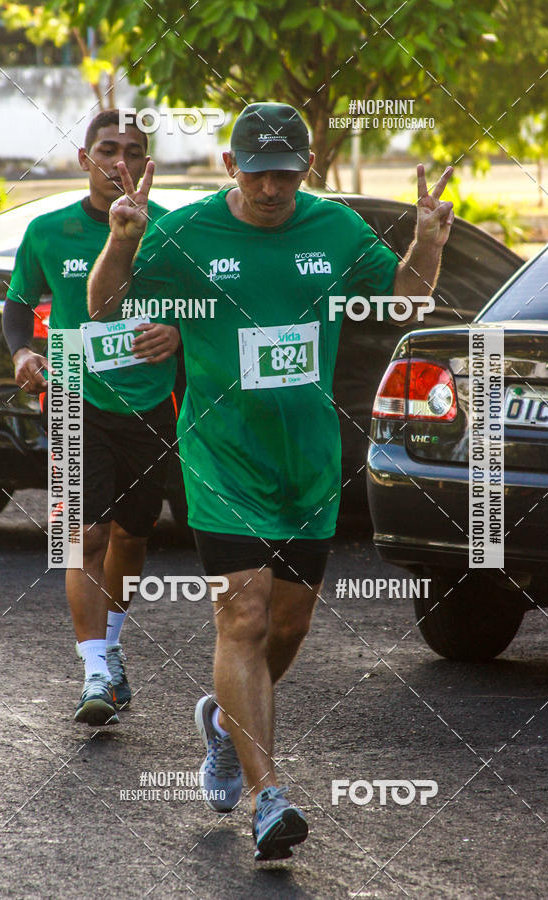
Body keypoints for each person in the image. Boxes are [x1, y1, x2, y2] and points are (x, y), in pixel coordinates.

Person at [87, 101, 454, 859]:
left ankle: (223, 723)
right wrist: (122, 244)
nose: (271, 189)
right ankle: (268, 799)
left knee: (288, 628)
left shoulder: (335, 228)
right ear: (231, 167)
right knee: (243, 618)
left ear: (304, 171)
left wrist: (425, 242)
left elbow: (407, 299)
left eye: (285, 174)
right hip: (222, 458)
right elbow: (104, 306)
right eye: (258, 174)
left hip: (310, 466)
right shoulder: (186, 231)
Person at [3, 109, 179, 726]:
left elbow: (206, 309)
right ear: (85, 160)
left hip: (151, 404)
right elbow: (19, 302)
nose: (121, 162)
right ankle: (94, 669)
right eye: (108, 149)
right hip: (77, 396)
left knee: (131, 536)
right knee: (84, 535)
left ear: (147, 163)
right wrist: (24, 347)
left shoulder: (171, 232)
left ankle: (114, 644)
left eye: (134, 150)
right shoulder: (48, 231)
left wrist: (178, 333)